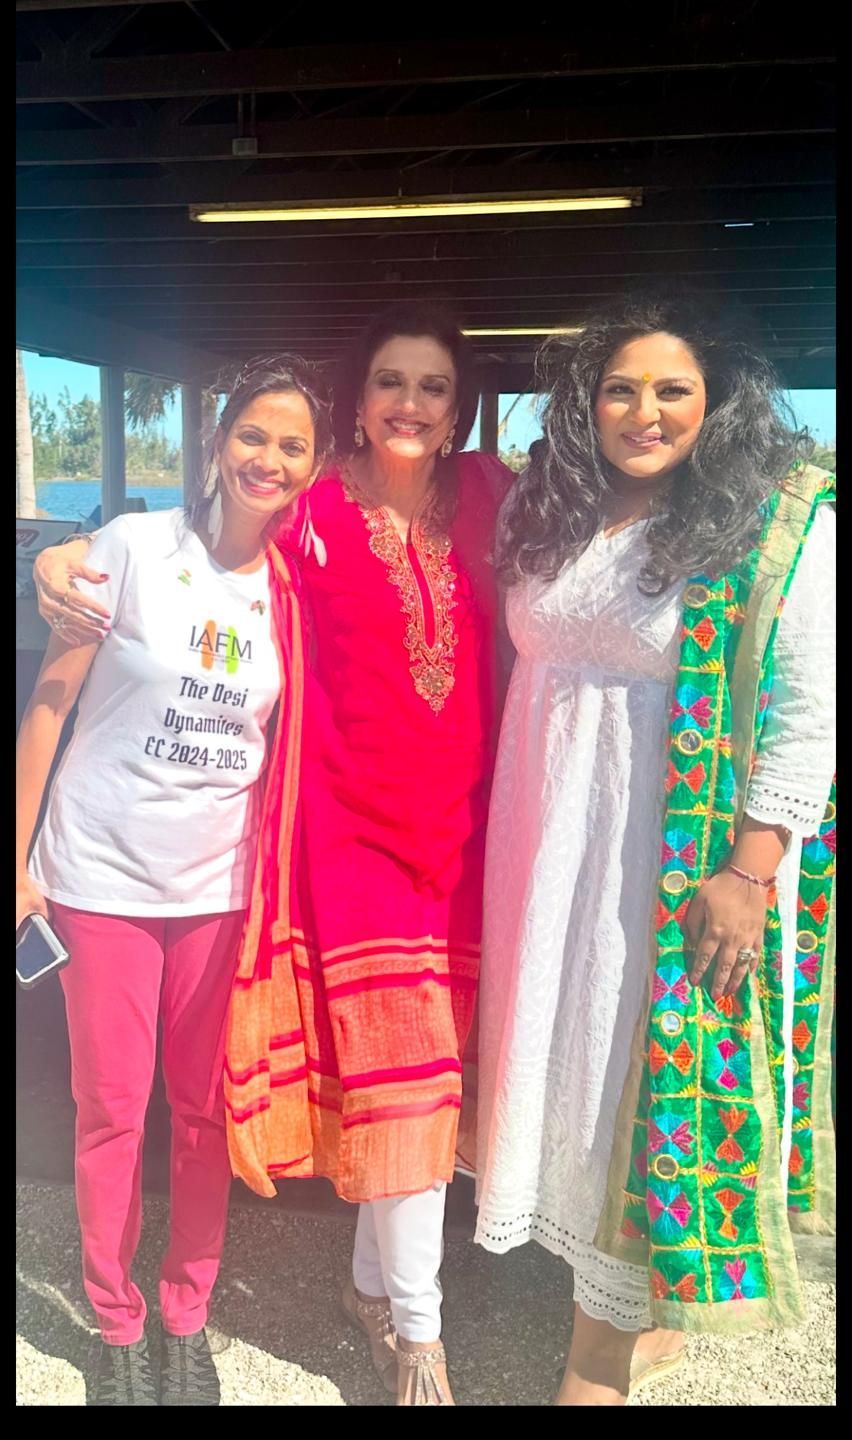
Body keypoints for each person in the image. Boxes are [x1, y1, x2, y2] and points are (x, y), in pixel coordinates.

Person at [33, 306, 514, 1407]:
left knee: (268, 1107)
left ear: (460, 407)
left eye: (433, 386)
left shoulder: (446, 509)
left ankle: (238, 1305)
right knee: (125, 1107)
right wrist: (59, 552)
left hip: (334, 874)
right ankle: (136, 1321)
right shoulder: (239, 530)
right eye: (389, 380)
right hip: (210, 871)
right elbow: (66, 683)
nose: (410, 403)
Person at [473, 299, 836, 1405]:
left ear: (714, 404)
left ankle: (603, 1355)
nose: (646, 410)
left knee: (635, 1085)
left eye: (673, 388)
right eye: (620, 387)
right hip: (542, 856)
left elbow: (810, 708)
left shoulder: (766, 523)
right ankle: (626, 1317)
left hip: (661, 864)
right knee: (568, 1079)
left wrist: (748, 869)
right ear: (587, 405)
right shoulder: (554, 512)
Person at [18, 355, 330, 1406]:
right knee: (111, 1109)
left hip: (220, 894)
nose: (268, 459)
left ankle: (185, 1311)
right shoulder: (130, 547)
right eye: (254, 436)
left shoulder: (294, 586)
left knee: (202, 1114)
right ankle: (114, 1318)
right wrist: (16, 866)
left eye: (293, 446)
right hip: (100, 879)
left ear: (312, 466)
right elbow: (50, 708)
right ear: (215, 442)